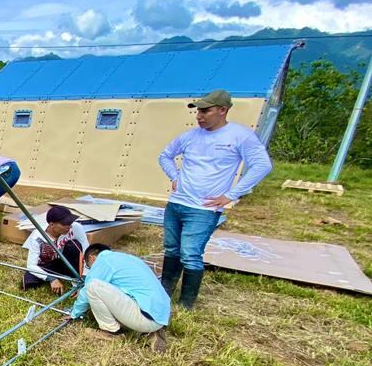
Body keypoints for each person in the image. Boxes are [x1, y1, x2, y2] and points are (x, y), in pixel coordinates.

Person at [158, 89, 273, 309]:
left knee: (190, 254)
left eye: (205, 111)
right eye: (198, 111)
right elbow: (165, 155)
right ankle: (164, 293)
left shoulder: (240, 136)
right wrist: (175, 176)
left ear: (223, 110)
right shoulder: (190, 136)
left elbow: (262, 165)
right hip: (177, 202)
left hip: (203, 208)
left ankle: (186, 304)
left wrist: (231, 194)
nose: (200, 116)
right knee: (171, 249)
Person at [70, 244, 170, 352]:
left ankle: (111, 332)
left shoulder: (103, 261)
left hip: (145, 316)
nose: (90, 269)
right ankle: (152, 332)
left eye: (88, 266)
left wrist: (74, 313)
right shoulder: (127, 259)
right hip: (162, 315)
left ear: (92, 257)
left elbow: (86, 292)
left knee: (92, 286)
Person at [21, 205, 88, 293]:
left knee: (73, 245)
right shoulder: (38, 236)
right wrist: (51, 279)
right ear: (52, 224)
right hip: (47, 266)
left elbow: (86, 250)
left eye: (70, 222)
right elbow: (31, 265)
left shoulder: (76, 227)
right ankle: (56, 276)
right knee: (28, 284)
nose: (69, 226)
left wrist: (85, 276)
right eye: (64, 224)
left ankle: (75, 278)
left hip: (66, 261)